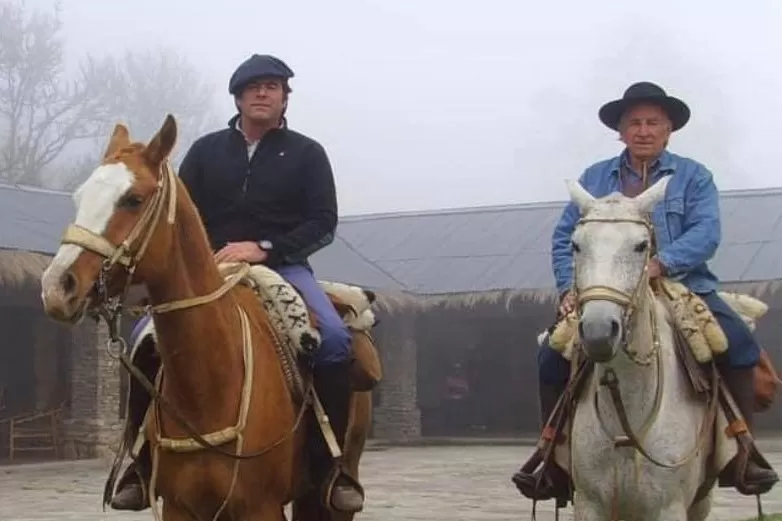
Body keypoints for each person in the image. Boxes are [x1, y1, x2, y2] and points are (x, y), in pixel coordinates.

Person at [109, 53, 364, 513]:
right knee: (143, 341)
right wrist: (198, 260)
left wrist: (264, 247)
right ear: (238, 97)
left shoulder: (308, 153)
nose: (263, 93)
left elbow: (324, 222)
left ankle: (330, 467)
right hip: (208, 270)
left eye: (273, 86)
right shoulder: (206, 151)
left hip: (283, 266)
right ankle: (142, 459)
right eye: (253, 87)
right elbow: (176, 216)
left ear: (285, 97)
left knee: (333, 342)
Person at [512, 81, 779, 498]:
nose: (643, 130)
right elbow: (568, 236)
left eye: (653, 122)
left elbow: (706, 233)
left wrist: (660, 263)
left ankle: (742, 452)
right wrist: (570, 287)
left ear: (669, 129)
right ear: (620, 131)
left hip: (682, 285)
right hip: (607, 290)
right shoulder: (594, 178)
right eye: (633, 122)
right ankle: (552, 457)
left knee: (740, 344)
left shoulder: (693, 176)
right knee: (550, 355)